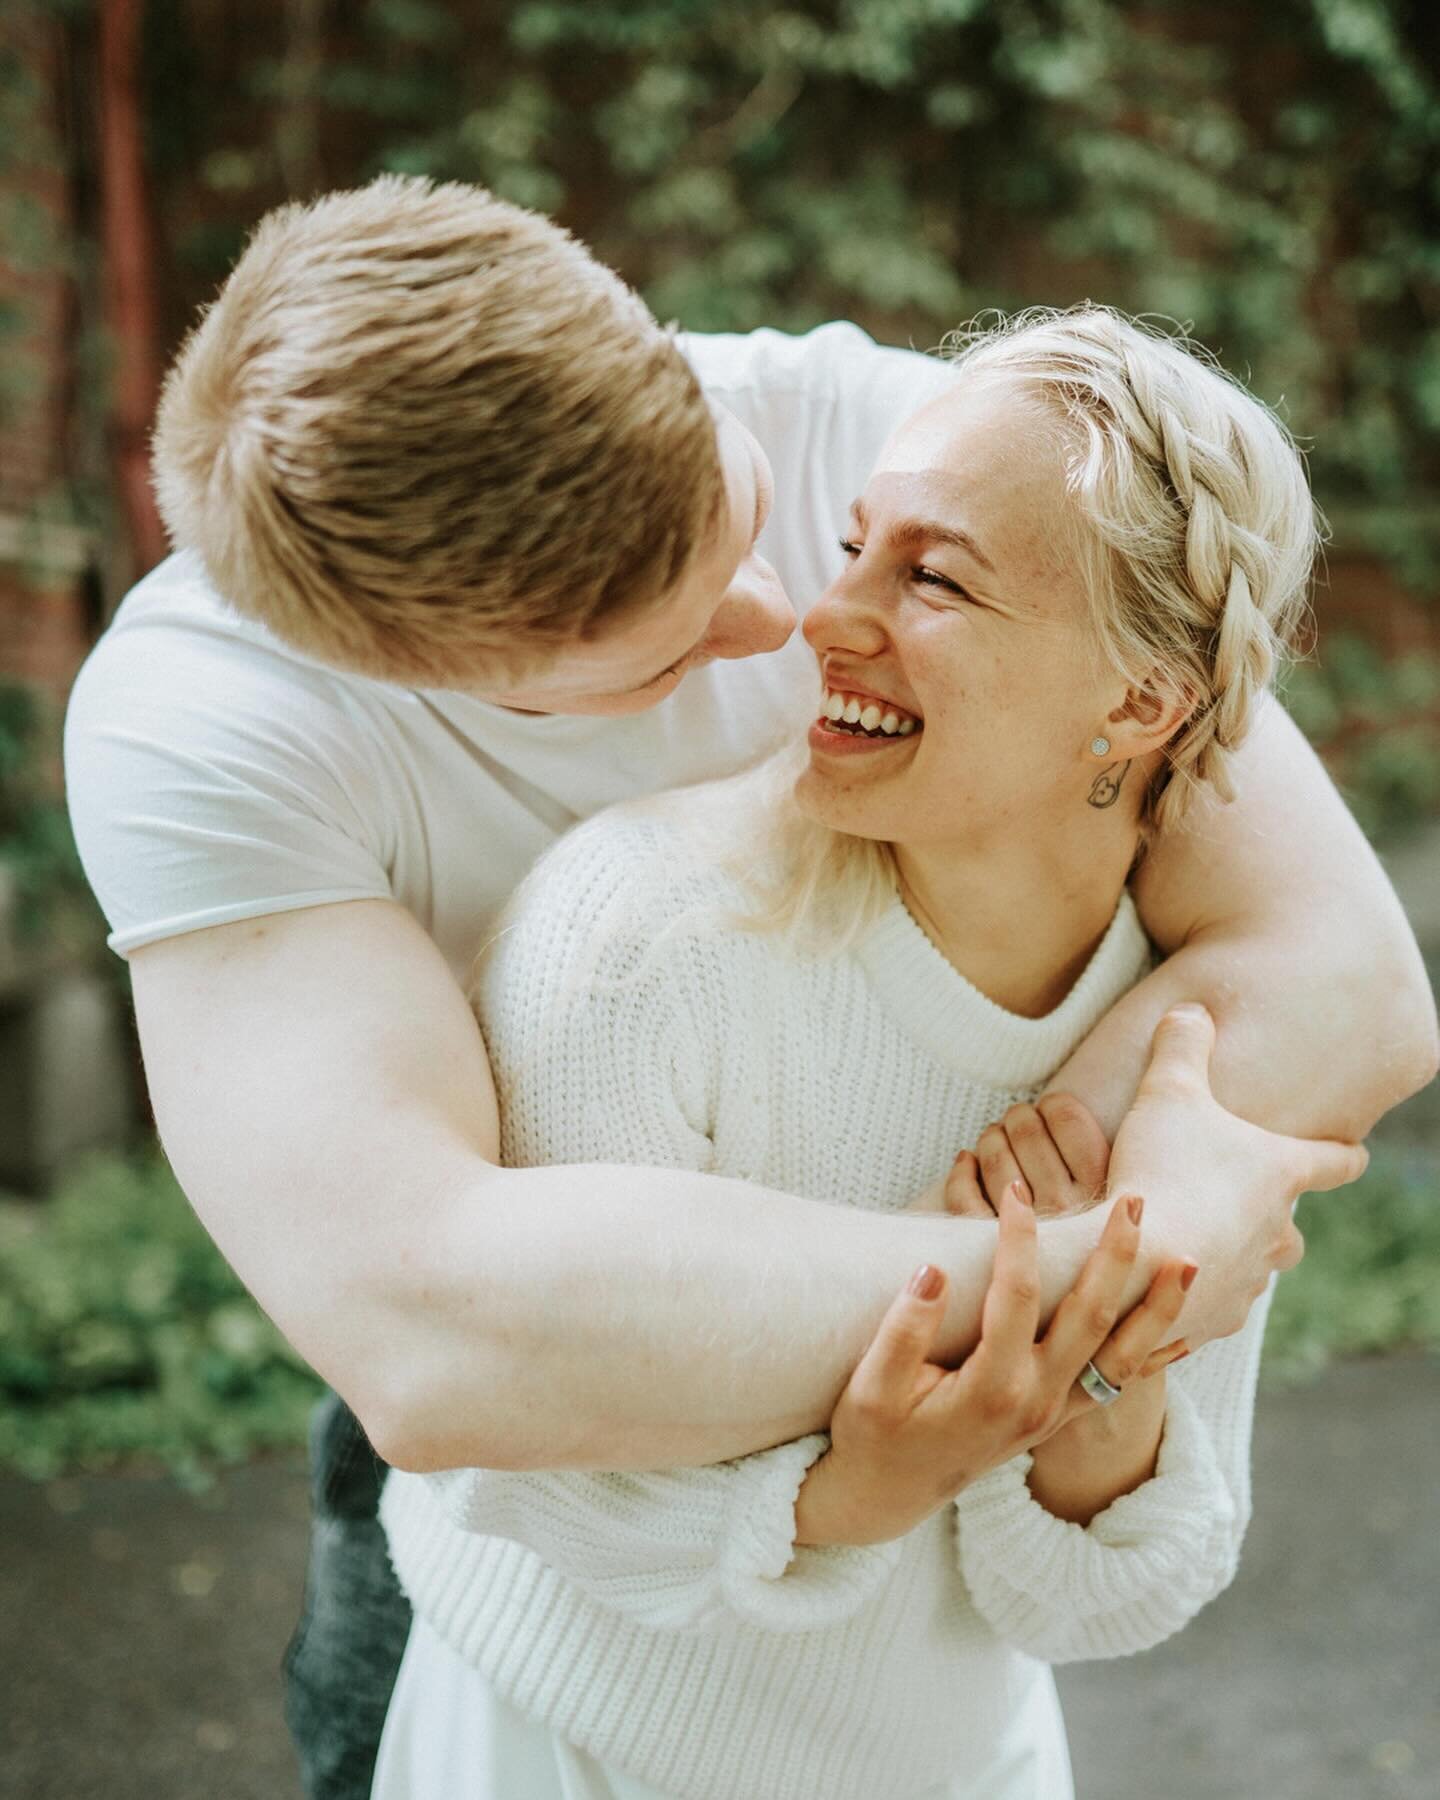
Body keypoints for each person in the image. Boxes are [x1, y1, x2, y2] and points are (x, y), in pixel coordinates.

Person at [60, 180, 1436, 1800]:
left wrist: (1075, 1177)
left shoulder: (910, 435)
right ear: (429, 674)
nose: (785, 617)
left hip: (924, 1698)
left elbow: (1342, 982)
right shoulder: (211, 729)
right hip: (552, 1564)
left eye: (754, 512)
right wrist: (1102, 1272)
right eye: (672, 649)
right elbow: (443, 1333)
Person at [372, 308, 1383, 1800]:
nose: (823, 615)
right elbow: (520, 1478)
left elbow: (1103, 1597)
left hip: (957, 1767)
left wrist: (1112, 1372)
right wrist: (862, 1486)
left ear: (1141, 700)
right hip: (571, 1749)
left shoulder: (1182, 1040)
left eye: (933, 578)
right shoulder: (640, 936)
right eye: (857, 545)